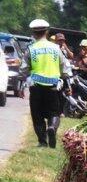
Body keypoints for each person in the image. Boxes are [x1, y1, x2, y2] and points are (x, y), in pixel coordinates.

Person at [19, 19, 72, 148]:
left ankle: (42, 142)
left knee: (37, 115)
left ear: (33, 33)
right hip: (54, 87)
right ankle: (52, 127)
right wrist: (66, 82)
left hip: (36, 87)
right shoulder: (56, 48)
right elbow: (65, 68)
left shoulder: (31, 49)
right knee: (54, 113)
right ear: (47, 32)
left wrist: (25, 78)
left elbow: (23, 70)